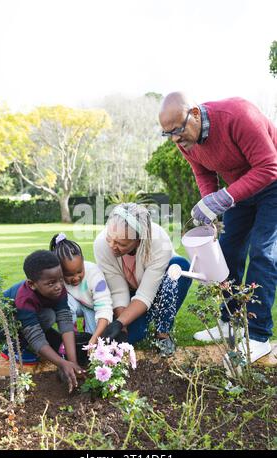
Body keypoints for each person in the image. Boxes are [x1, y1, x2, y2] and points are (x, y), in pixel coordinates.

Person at [159, 92, 277, 362]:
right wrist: (210, 207)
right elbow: (203, 172)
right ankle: (230, 322)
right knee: (227, 252)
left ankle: (258, 336)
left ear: (196, 114)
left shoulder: (238, 115)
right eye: (168, 134)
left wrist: (222, 198)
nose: (175, 139)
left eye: (177, 130)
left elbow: (269, 166)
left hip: (272, 184)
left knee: (263, 251)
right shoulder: (185, 140)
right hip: (241, 192)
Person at [93, 203, 192, 356]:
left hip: (156, 289)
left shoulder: (159, 241)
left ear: (138, 241)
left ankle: (163, 333)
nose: (112, 246)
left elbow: (146, 294)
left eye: (121, 243)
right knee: (135, 335)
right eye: (110, 238)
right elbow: (118, 290)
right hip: (130, 292)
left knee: (180, 266)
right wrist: (122, 327)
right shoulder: (101, 244)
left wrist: (119, 322)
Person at [0, 250, 87, 392]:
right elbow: (35, 337)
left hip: (31, 317)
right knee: (46, 319)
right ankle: (14, 347)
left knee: (50, 317)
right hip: (0, 323)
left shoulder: (58, 288)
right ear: (32, 284)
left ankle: (24, 337)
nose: (59, 285)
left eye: (60, 279)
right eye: (51, 283)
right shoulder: (25, 298)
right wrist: (61, 363)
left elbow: (65, 320)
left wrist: (72, 362)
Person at [50, 233, 121, 344]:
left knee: (95, 337)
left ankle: (86, 333)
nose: (76, 278)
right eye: (69, 275)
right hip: (74, 304)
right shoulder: (57, 278)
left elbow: (104, 307)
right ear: (60, 271)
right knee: (65, 303)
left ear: (83, 262)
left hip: (93, 307)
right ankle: (71, 334)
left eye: (79, 271)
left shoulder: (94, 275)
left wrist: (95, 337)